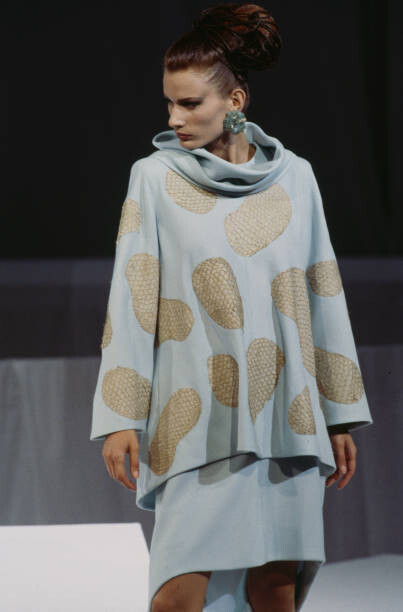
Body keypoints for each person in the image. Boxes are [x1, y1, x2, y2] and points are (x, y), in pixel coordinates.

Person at [90, 3, 373, 611]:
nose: (174, 117)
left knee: (275, 590)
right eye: (169, 103)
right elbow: (134, 297)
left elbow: (322, 292)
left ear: (235, 100)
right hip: (195, 415)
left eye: (189, 103)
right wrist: (120, 415)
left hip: (288, 417)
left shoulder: (296, 178)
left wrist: (340, 415)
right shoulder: (155, 178)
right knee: (177, 596)